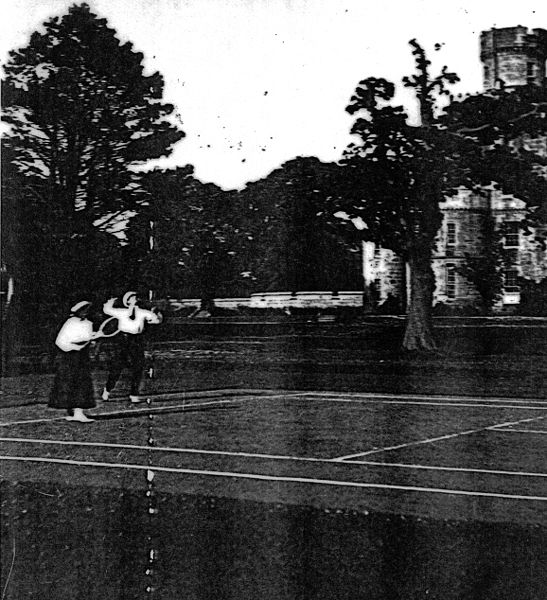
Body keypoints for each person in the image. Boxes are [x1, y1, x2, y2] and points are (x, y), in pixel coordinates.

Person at [101, 291, 163, 403]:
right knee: (117, 366)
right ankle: (107, 390)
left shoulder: (143, 312)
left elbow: (156, 320)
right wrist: (110, 302)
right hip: (123, 341)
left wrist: (157, 313)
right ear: (127, 301)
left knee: (138, 368)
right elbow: (106, 310)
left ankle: (134, 394)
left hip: (136, 340)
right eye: (132, 297)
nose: (135, 299)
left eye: (136, 297)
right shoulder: (122, 312)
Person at [48, 300, 98, 422]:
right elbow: (60, 341)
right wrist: (74, 347)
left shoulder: (88, 323)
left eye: (87, 310)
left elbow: (87, 339)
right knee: (70, 382)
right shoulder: (70, 323)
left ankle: (78, 412)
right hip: (69, 357)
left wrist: (92, 341)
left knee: (82, 382)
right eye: (83, 310)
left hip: (82, 356)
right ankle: (74, 412)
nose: (85, 312)